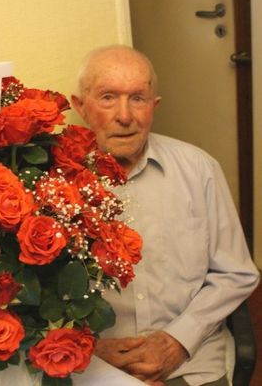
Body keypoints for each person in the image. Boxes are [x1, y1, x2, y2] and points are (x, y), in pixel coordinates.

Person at [71, 45, 260, 386]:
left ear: (154, 106)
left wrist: (177, 342)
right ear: (80, 106)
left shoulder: (199, 169)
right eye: (108, 97)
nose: (125, 116)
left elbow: (236, 273)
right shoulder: (52, 182)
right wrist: (88, 350)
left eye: (138, 99)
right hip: (92, 367)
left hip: (191, 361)